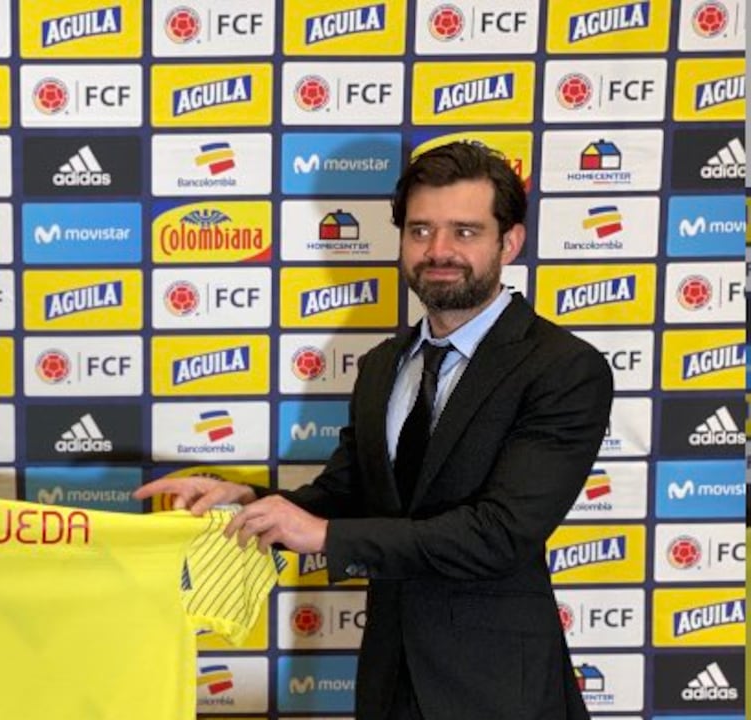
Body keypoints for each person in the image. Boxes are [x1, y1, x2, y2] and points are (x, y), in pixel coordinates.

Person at [136, 142, 612, 720]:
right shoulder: (384, 364)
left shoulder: (562, 367)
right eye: (420, 231)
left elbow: (500, 533)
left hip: (496, 689)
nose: (439, 251)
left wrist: (326, 537)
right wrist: (245, 502)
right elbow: (346, 496)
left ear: (508, 242)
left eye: (464, 231)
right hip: (387, 676)